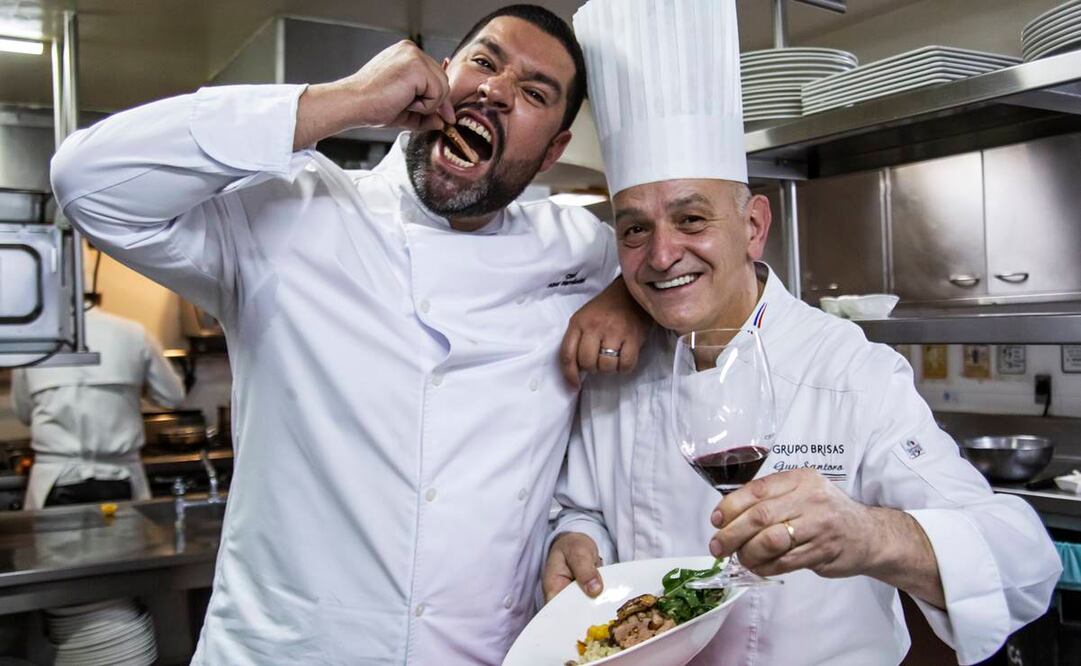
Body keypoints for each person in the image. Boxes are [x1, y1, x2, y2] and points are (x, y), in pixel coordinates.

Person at [50, 4, 645, 664]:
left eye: (534, 93)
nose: (497, 90)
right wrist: (346, 100)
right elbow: (88, 182)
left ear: (553, 152)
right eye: (484, 61)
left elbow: (687, 281)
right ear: (440, 74)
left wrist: (627, 296)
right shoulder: (288, 211)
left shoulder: (578, 250)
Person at [543, 1, 1062, 664]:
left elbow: (1022, 563)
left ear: (753, 226)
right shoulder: (616, 371)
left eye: (692, 219)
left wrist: (869, 535)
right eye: (635, 229)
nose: (663, 255)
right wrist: (574, 539)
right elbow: (581, 506)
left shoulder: (848, 371)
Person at [14, 307, 185, 510]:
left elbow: (24, 414)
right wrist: (135, 387)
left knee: (55, 532)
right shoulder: (134, 333)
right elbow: (173, 397)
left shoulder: (33, 340)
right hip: (120, 478)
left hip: (55, 480)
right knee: (124, 531)